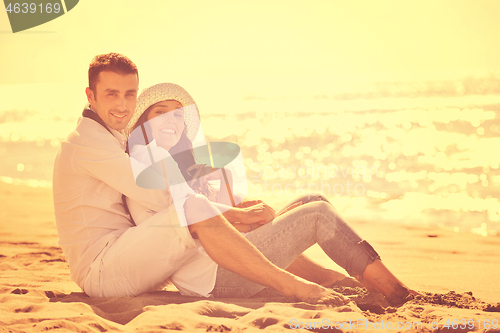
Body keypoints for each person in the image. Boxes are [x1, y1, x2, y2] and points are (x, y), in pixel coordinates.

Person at [53, 53, 353, 305]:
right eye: (111, 94)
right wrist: (237, 215)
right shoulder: (89, 143)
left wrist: (229, 209)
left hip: (127, 250)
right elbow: (161, 198)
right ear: (90, 95)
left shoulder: (111, 136)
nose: (122, 105)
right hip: (103, 268)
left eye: (129, 94)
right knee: (197, 210)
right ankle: (288, 283)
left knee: (234, 213)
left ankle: (325, 278)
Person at [123, 82, 417, 306]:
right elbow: (187, 219)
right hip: (215, 277)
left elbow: (203, 218)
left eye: (177, 115)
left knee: (312, 201)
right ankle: (395, 291)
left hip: (225, 260)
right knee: (317, 215)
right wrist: (244, 217)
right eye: (160, 113)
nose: (170, 120)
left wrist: (242, 214)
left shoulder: (171, 164)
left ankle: (338, 279)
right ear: (143, 124)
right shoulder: (146, 159)